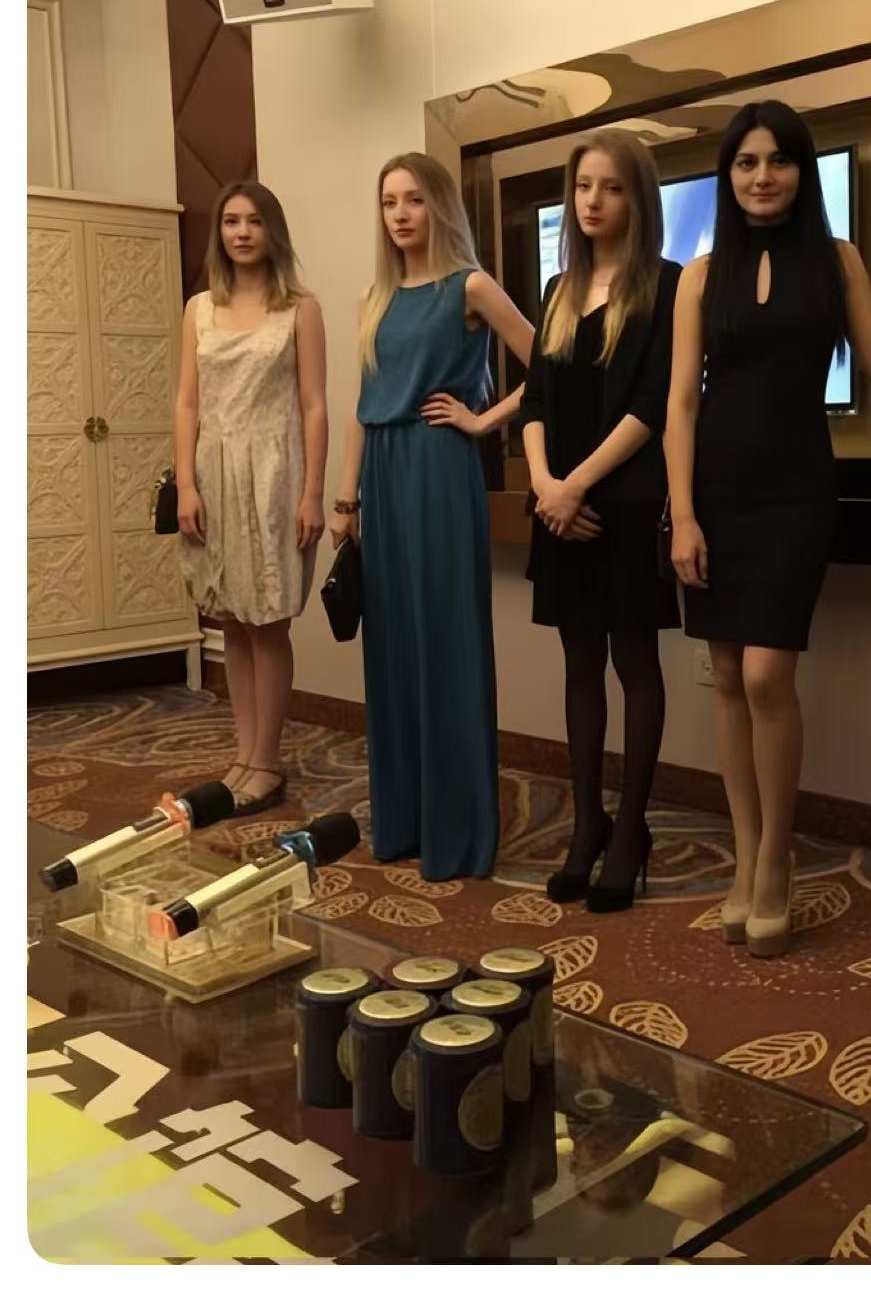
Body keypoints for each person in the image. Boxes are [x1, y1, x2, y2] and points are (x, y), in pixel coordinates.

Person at [665, 102, 871, 957]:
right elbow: (680, 402)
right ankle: (745, 857)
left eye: (778, 160)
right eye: (746, 162)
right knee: (727, 675)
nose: (762, 176)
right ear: (728, 175)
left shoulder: (837, 257)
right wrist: (683, 513)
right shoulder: (700, 276)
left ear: (801, 170)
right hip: (716, 490)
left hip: (797, 491)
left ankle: (777, 859)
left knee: (767, 672)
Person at [330, 153, 533, 880]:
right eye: (389, 202)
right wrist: (346, 499)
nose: (400, 214)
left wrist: (483, 421)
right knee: (394, 648)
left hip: (441, 472)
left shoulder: (469, 286)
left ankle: (458, 831)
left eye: (414, 199)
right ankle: (406, 823)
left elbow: (550, 362)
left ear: (439, 205)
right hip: (382, 479)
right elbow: (363, 405)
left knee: (446, 641)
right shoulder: (374, 297)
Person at [520, 131, 681, 912]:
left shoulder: (668, 285)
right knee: (578, 664)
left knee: (635, 663)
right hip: (559, 506)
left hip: (627, 503)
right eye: (584, 185)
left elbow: (654, 404)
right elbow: (535, 400)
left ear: (636, 197)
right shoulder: (558, 288)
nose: (592, 200)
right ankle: (588, 824)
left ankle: (630, 832)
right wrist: (546, 488)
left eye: (611, 186)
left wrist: (577, 485)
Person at [175, 182, 327, 816]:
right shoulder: (199, 309)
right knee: (232, 621)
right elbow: (187, 403)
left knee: (268, 621)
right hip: (213, 475)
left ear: (273, 231)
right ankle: (243, 754)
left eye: (255, 221)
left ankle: (267, 761)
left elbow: (314, 406)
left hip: (274, 477)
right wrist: (186, 483)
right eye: (232, 221)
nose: (242, 232)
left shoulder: (300, 308)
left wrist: (313, 492)